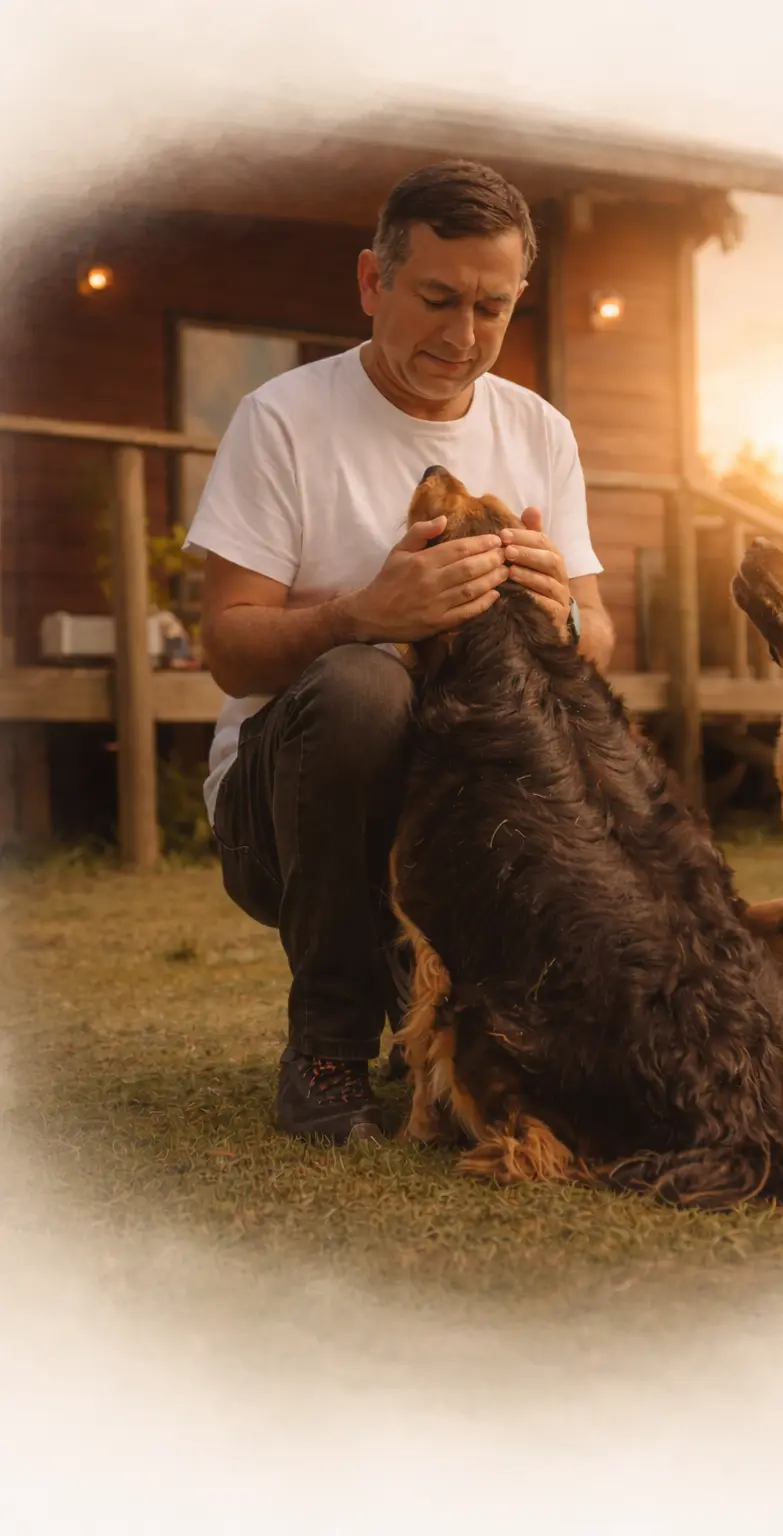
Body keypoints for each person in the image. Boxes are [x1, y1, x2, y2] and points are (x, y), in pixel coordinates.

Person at [184, 159, 615, 1145]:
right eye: (437, 298)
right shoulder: (283, 419)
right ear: (373, 281)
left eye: (491, 308)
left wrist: (563, 613)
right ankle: (327, 1047)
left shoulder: (539, 429)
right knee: (363, 684)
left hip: (457, 802)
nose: (463, 337)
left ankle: (495, 1038)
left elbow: (596, 632)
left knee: (555, 736)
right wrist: (363, 612)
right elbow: (230, 650)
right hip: (281, 817)